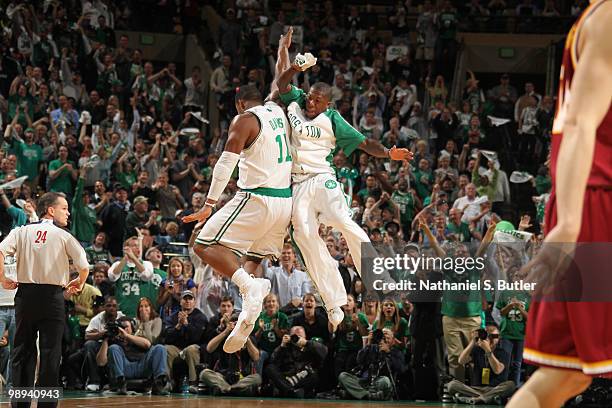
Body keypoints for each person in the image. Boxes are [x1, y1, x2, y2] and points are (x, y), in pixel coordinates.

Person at [508, 2, 612, 407]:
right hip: (594, 204)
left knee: (564, 376)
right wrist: (568, 225)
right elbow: (579, 123)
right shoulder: (607, 18)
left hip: (587, 203)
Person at [274, 30, 412, 330]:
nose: (311, 103)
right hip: (297, 185)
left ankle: (379, 277)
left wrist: (389, 152)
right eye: (311, 97)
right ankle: (334, 302)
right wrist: (291, 61)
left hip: (322, 178)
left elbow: (364, 144)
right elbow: (281, 82)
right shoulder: (296, 100)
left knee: (343, 221)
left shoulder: (334, 120)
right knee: (304, 237)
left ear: (327, 104)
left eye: (318, 100)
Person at [183, 84, 293, 354]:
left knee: (203, 244)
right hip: (284, 202)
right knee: (252, 257)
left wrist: (208, 204)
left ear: (239, 104)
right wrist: (283, 51)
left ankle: (249, 288)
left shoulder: (244, 119)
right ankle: (248, 314)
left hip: (257, 197)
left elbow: (225, 163)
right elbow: (279, 83)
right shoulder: (277, 111)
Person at [0, 192, 89, 408]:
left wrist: (3, 277)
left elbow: (0, 251)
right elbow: (83, 266)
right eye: (64, 208)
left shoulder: (20, 231)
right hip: (52, 298)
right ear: (51, 210)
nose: (68, 212)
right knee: (50, 353)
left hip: (25, 297)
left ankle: (20, 405)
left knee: (22, 351)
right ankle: (46, 405)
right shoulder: (63, 235)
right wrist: (80, 281)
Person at [96, 316, 169, 395]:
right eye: (121, 327)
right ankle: (120, 384)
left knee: (160, 348)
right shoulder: (113, 341)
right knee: (114, 348)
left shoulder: (137, 336)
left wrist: (126, 336)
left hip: (142, 368)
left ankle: (159, 384)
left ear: (132, 328)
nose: (124, 329)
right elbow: (101, 362)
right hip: (124, 370)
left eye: (126, 327)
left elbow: (147, 344)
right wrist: (105, 340)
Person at [447, 326, 515, 404]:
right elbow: (461, 361)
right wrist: (473, 341)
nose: (491, 339)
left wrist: (488, 351)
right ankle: (488, 398)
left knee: (510, 385)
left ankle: (474, 399)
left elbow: (497, 370)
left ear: (498, 338)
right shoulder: (477, 350)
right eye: (488, 336)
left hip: (495, 388)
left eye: (494, 336)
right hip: (476, 388)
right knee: (452, 385)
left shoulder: (503, 352)